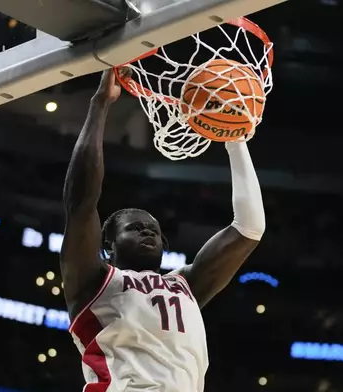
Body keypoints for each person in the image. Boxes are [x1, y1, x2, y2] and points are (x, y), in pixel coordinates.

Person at [60, 69, 265, 392]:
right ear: (108, 245)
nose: (147, 232)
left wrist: (235, 140)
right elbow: (82, 202)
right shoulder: (93, 282)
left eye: (153, 230)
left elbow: (249, 229)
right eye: (135, 228)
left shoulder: (187, 284)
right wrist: (99, 104)